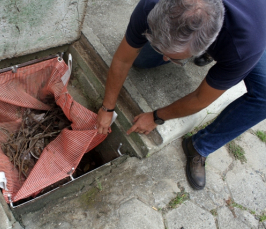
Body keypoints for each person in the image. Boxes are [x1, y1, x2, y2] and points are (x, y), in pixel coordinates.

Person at [96, 0, 266, 190]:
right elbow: (122, 59)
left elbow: (200, 99)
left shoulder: (244, 47)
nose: (165, 58)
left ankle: (200, 146)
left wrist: (156, 117)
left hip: (252, 22)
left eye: (173, 58)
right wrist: (107, 107)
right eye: (163, 51)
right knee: (142, 60)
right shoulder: (152, 5)